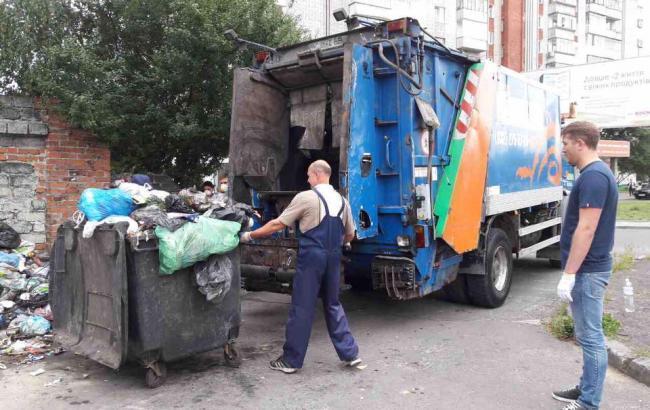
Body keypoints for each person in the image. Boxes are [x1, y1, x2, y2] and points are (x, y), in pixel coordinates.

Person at [239, 159, 361, 373]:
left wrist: (250, 235)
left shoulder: (306, 197)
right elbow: (350, 234)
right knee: (333, 304)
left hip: (312, 257)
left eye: (308, 175)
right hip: (334, 257)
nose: (307, 179)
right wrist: (338, 244)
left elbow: (278, 223)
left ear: (317, 174)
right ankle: (350, 354)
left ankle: (291, 361)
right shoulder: (343, 201)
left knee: (302, 307)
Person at [554, 121, 618, 410]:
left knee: (591, 337)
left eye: (565, 143)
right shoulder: (594, 174)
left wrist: (569, 273)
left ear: (580, 143)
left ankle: (589, 403)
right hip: (589, 269)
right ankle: (585, 388)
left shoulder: (594, 177)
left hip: (589, 271)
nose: (562, 149)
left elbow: (586, 229)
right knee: (586, 335)